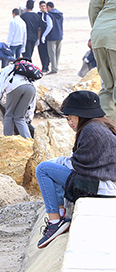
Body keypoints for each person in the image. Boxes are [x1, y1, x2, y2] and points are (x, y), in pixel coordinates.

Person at [34, 90, 116, 247]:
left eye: (70, 118)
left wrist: (59, 161)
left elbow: (79, 165)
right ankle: (62, 214)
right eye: (67, 119)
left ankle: (54, 221)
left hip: (101, 187)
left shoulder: (91, 130)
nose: (70, 123)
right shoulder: (101, 125)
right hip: (106, 184)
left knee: (43, 169)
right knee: (55, 166)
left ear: (82, 114)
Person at [90, 0, 116, 122]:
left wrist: (96, 30)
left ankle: (105, 133)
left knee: (107, 88)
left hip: (100, 33)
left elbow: (95, 3)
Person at [0, 58, 36, 139]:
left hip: (15, 88)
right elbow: (33, 100)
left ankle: (8, 139)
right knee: (19, 117)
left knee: (9, 115)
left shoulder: (9, 68)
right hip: (31, 89)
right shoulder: (30, 71)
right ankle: (28, 139)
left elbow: (0, 83)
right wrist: (29, 116)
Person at [45, 1, 64, 74]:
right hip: (59, 35)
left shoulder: (49, 15)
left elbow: (50, 26)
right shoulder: (60, 14)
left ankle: (54, 68)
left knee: (52, 53)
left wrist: (44, 35)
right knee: (57, 53)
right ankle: (56, 66)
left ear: (49, 7)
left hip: (52, 36)